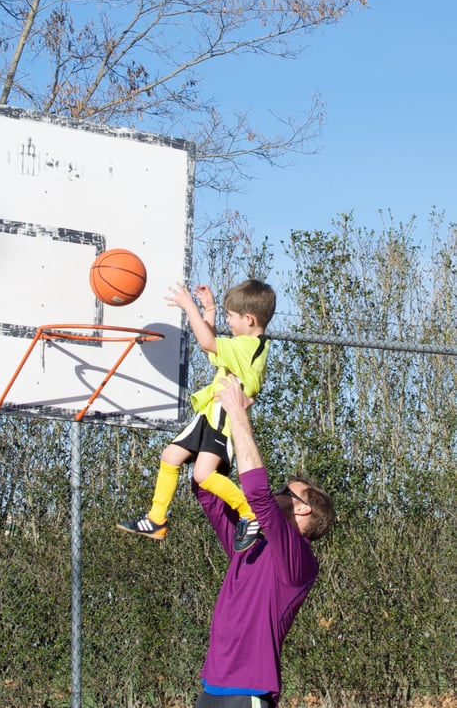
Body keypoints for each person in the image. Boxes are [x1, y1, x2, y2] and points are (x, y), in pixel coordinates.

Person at [193, 374, 336, 708]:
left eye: (288, 491)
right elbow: (205, 490)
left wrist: (240, 414)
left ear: (303, 509)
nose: (278, 492)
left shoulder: (299, 560)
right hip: (213, 684)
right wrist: (219, 422)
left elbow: (256, 493)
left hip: (250, 689)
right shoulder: (250, 541)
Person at [117, 278, 276, 550]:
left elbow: (207, 343)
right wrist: (210, 310)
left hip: (224, 417)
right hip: (209, 413)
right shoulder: (244, 345)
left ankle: (249, 512)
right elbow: (213, 345)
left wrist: (188, 306)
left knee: (203, 475)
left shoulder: (250, 346)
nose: (229, 321)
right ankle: (157, 518)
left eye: (231, 316)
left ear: (248, 319)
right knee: (170, 456)